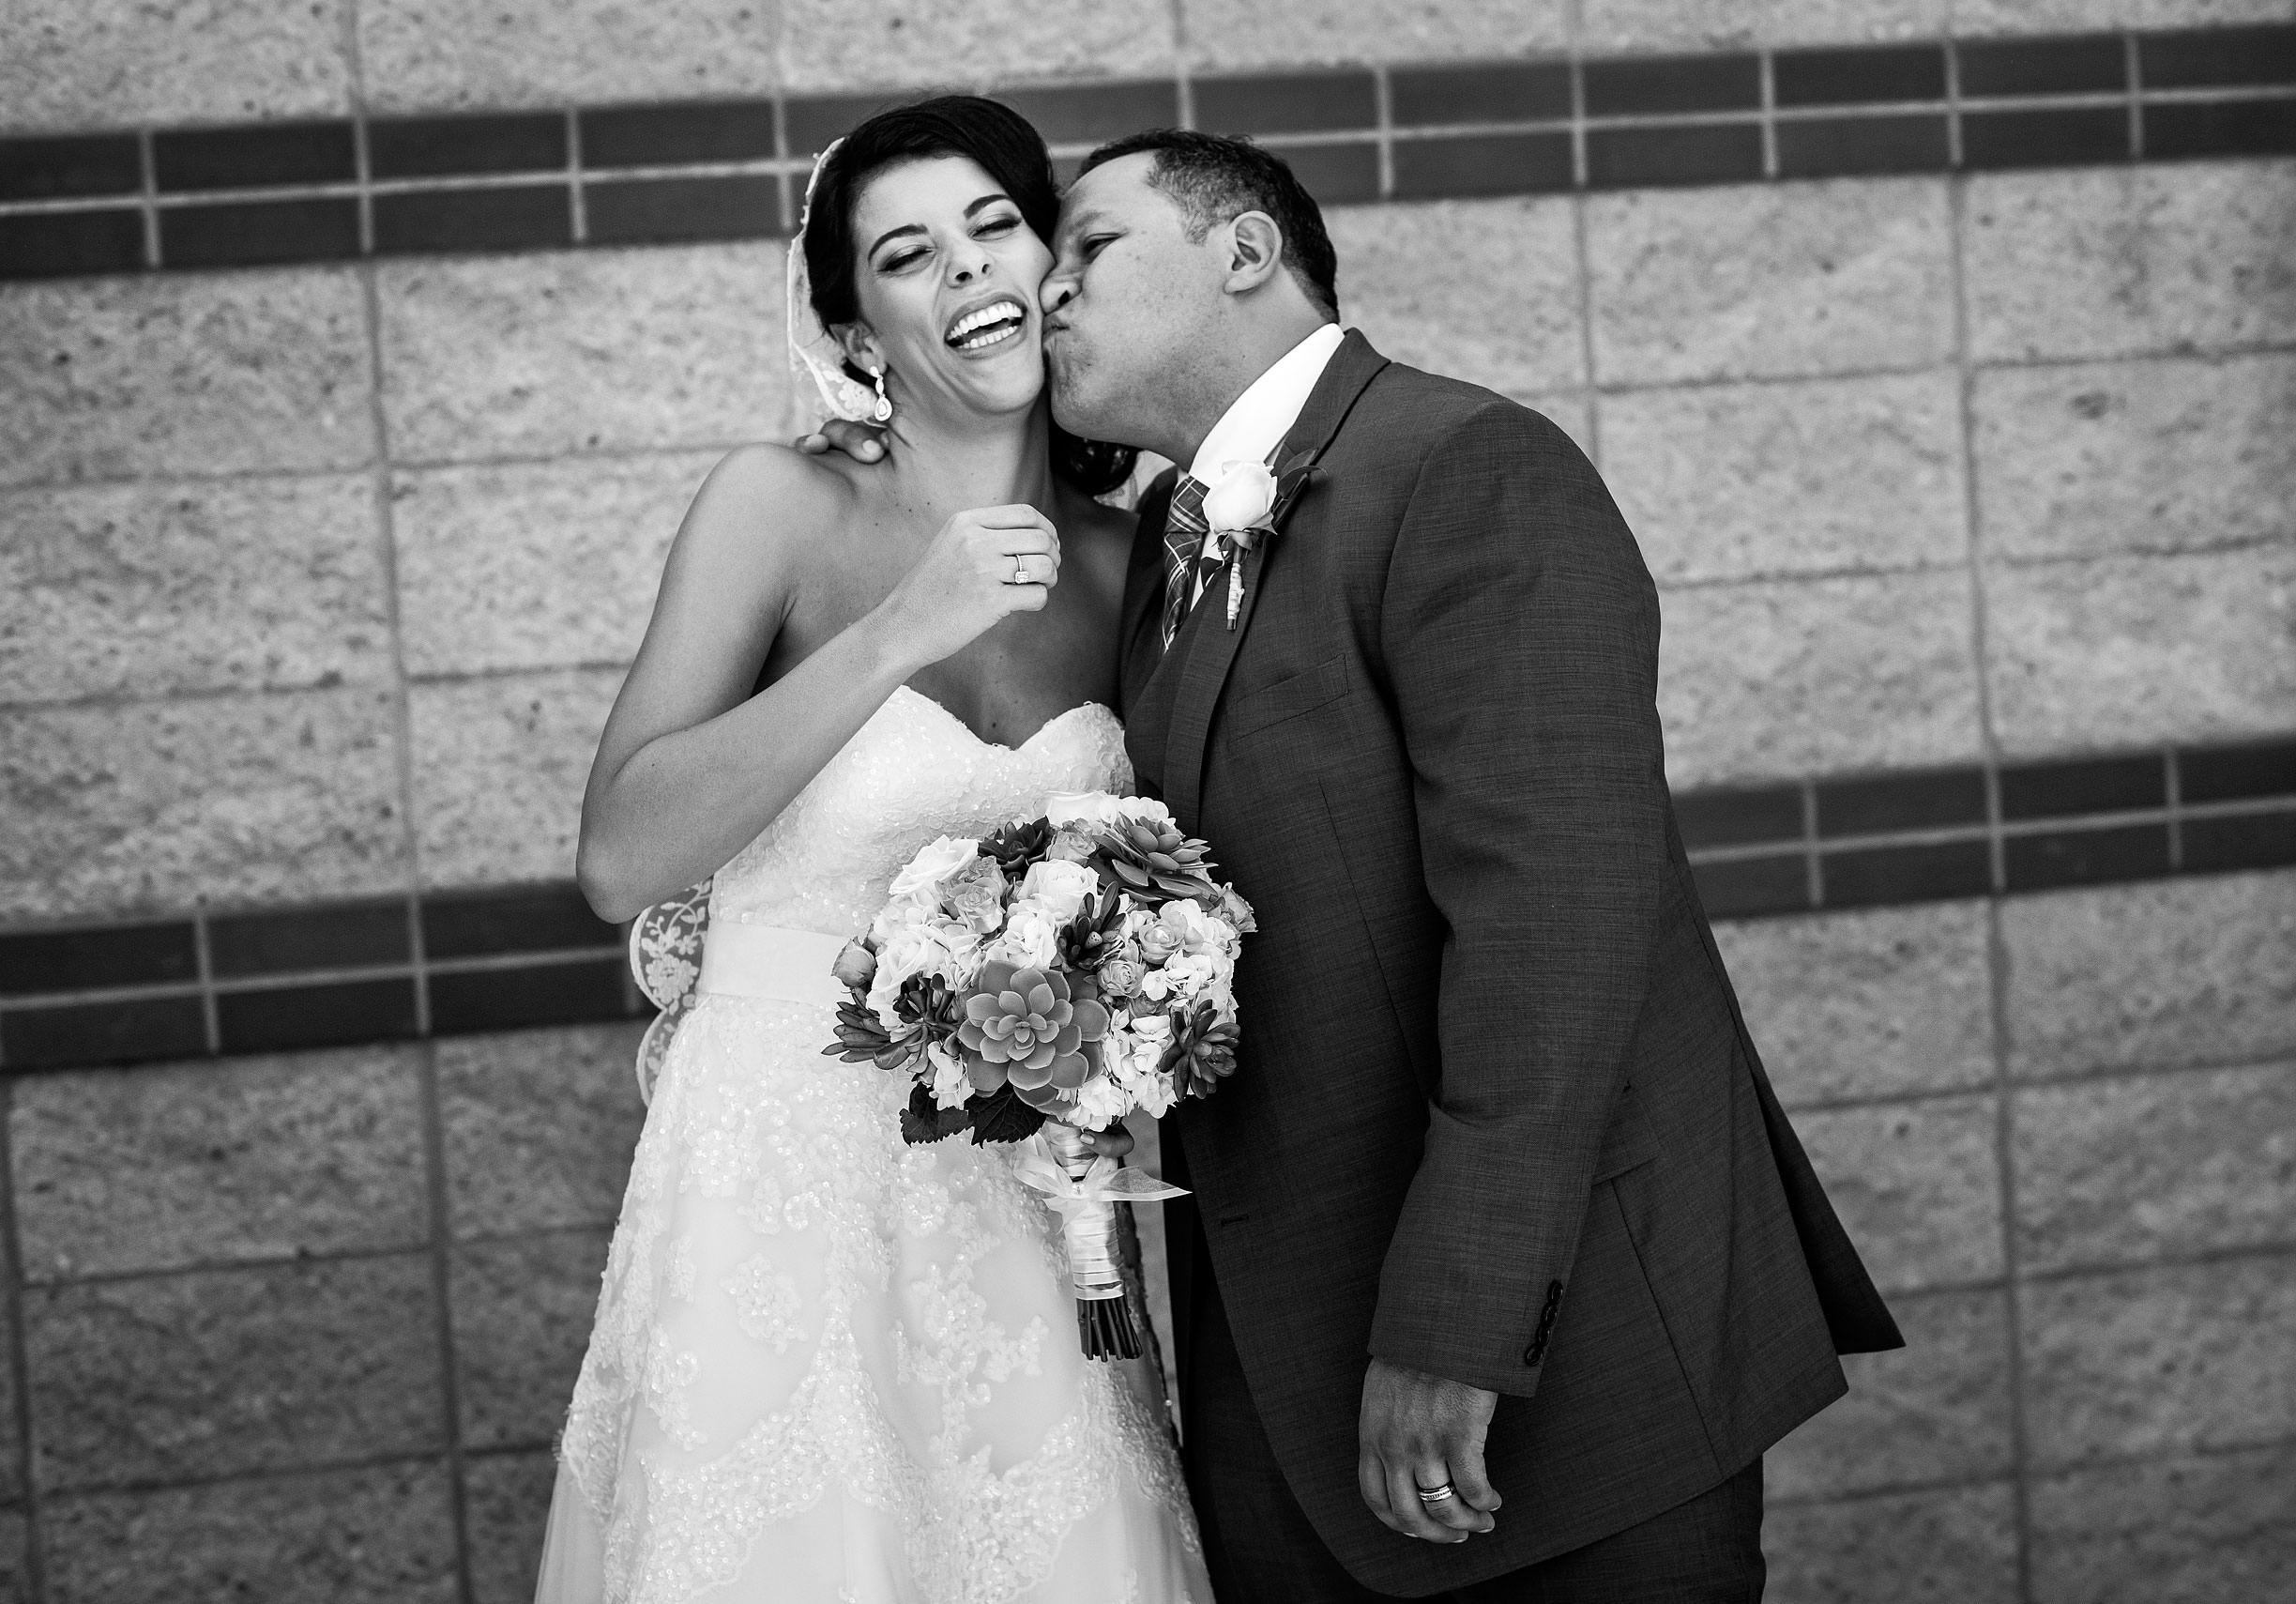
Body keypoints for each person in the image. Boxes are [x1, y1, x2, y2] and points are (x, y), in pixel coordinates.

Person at [820, 129, 1905, 1602]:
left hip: (1556, 1374)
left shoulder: (1466, 470)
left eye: (1088, 251)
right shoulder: (1160, 549)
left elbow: (1556, 933)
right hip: (1277, 1380)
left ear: (1246, 252)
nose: (1041, 289)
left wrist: (1459, 1329)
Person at [533, 97, 1211, 1603]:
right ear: (858, 331)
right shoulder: (776, 507)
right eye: (908, 254)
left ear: (1055, 260)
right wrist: (908, 626)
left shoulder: (1134, 561)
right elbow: (620, 854)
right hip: (776, 1181)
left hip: (1028, 1210)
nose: (968, 271)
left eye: (995, 226)